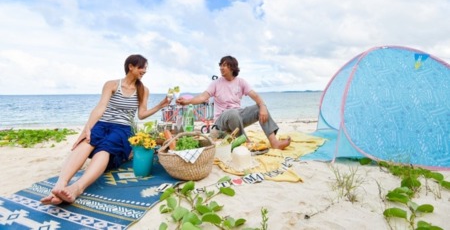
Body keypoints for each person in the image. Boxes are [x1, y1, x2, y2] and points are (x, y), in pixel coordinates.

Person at [40, 54, 170, 205]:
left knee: (105, 149)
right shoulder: (112, 84)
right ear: (131, 67)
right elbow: (100, 107)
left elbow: (141, 115)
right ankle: (60, 186)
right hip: (102, 123)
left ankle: (77, 188)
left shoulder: (143, 90)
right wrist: (87, 128)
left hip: (123, 128)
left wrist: (160, 105)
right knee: (86, 143)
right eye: (142, 67)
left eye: (146, 68)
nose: (144, 71)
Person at [176, 55, 291, 150]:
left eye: (225, 65)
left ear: (232, 68)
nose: (221, 67)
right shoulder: (216, 83)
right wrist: (187, 102)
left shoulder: (241, 82)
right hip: (221, 122)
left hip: (237, 117)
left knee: (260, 107)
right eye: (221, 65)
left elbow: (255, 96)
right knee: (232, 112)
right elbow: (202, 97)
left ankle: (274, 143)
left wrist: (262, 107)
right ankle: (246, 142)